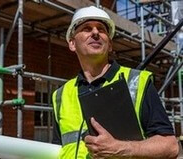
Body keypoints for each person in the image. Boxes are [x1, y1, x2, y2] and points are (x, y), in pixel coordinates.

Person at [52, 6, 179, 159]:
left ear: (110, 45)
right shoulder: (60, 96)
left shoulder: (137, 82)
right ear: (72, 43)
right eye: (86, 28)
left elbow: (170, 146)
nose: (95, 33)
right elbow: (58, 149)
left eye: (101, 29)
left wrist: (122, 149)